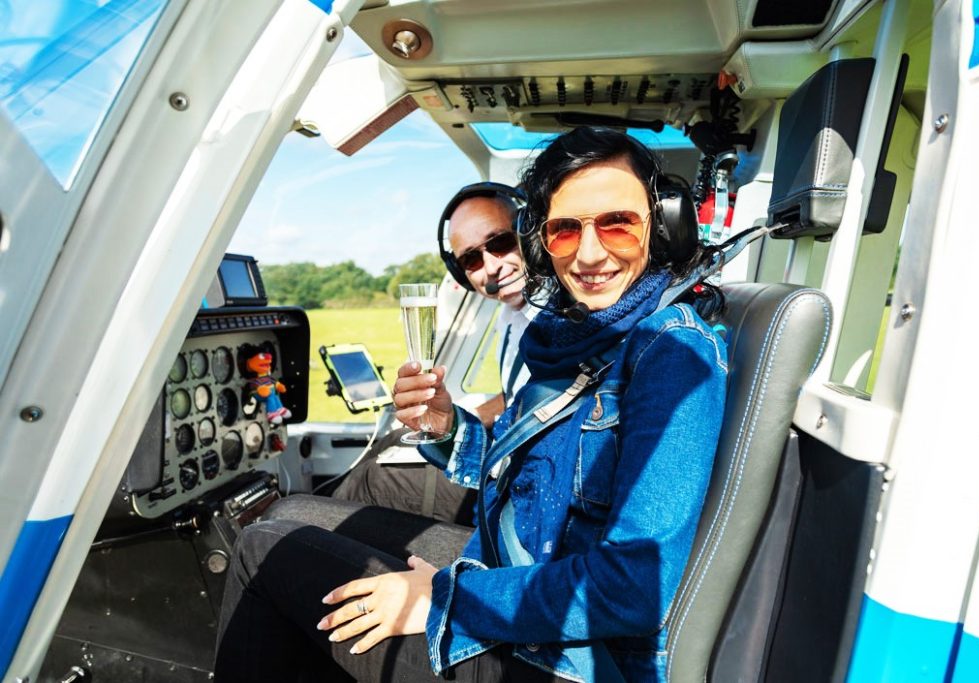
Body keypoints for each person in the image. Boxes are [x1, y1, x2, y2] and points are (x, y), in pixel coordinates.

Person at [215, 127, 728, 682]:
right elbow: (524, 474)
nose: (590, 253)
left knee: (262, 550)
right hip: (521, 563)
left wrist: (443, 598)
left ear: (664, 225)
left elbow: (631, 589)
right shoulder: (579, 338)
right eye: (564, 230)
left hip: (572, 659)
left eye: (618, 223)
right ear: (542, 241)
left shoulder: (670, 351)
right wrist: (443, 426)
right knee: (286, 515)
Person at [330, 184, 535, 524]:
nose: (491, 266)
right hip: (504, 474)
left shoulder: (559, 315)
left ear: (528, 229)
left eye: (500, 242)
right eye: (471, 259)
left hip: (515, 500)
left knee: (371, 481)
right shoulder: (510, 317)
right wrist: (465, 416)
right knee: (394, 439)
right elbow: (530, 392)